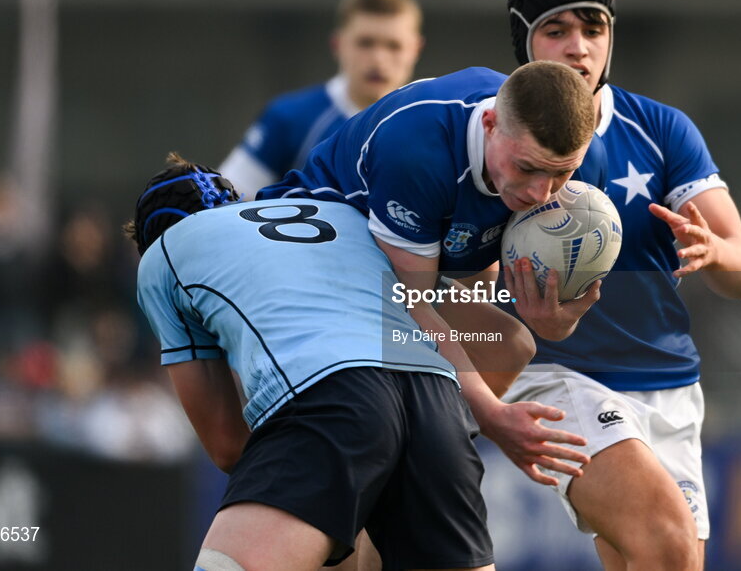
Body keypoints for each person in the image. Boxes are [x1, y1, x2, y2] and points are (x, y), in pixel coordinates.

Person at [502, 0, 741, 570]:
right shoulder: (494, 130)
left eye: (594, 28)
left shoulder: (661, 130)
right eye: (556, 30)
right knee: (669, 545)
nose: (579, 47)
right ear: (524, 39)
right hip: (560, 376)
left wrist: (713, 249)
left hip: (668, 388)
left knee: (652, 559)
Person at [130, 154, 496, 571]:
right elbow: (515, 343)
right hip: (440, 404)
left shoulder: (162, 257)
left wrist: (342, 491)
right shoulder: (345, 215)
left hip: (326, 401)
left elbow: (229, 446)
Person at [259, 60, 608, 486]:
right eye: (528, 168)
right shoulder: (418, 150)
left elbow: (472, 272)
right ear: (491, 123)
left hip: (404, 265)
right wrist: (493, 415)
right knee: (384, 423)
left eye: (560, 173)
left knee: (508, 344)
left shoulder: (574, 168)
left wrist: (553, 323)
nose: (541, 193)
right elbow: (416, 309)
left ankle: (410, 478)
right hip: (320, 242)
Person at [219, 0, 425, 197]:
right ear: (338, 44)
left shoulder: (436, 125)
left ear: (415, 49)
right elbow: (227, 199)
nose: (378, 59)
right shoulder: (290, 118)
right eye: (365, 43)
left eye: (394, 46)